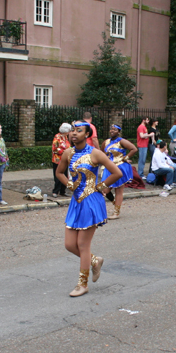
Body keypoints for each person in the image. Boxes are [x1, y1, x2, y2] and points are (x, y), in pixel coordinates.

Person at [55, 122, 122, 297]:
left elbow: (117, 173)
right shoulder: (68, 153)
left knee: (83, 245)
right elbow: (59, 172)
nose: (74, 134)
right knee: (69, 244)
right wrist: (69, 184)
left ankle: (82, 284)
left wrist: (101, 186)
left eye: (79, 131)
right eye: (73, 131)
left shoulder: (95, 153)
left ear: (87, 135)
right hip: (76, 201)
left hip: (91, 201)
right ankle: (95, 260)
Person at [101, 125, 135, 219]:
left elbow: (134, 149)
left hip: (120, 167)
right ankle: (115, 204)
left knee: (119, 190)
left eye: (115, 129)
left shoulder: (122, 141)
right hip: (109, 168)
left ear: (118, 132)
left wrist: (125, 158)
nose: (112, 131)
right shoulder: (106, 142)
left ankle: (116, 212)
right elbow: (102, 154)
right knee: (104, 190)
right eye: (111, 129)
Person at [52, 123, 72, 196]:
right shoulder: (57, 137)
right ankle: (55, 191)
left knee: (65, 175)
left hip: (65, 160)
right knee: (58, 176)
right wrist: (65, 152)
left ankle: (62, 191)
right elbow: (55, 149)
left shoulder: (65, 137)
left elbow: (68, 146)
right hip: (58, 160)